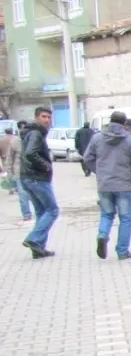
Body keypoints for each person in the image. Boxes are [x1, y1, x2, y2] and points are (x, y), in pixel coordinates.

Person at [84, 110, 131, 261]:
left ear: (110, 121)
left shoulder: (97, 138)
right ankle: (122, 251)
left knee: (106, 214)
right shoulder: (130, 140)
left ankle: (102, 235)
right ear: (125, 124)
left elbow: (87, 158)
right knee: (125, 218)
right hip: (123, 184)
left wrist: (98, 171)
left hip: (104, 184)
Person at [20, 107, 59, 259]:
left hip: (28, 177)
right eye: (44, 117)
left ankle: (38, 249)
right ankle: (33, 239)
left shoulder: (30, 132)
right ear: (36, 117)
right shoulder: (36, 133)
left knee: (42, 212)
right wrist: (46, 166)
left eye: (49, 117)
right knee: (53, 210)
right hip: (37, 177)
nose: (47, 120)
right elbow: (31, 153)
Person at [2, 127, 31, 221]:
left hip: (31, 172)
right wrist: (9, 170)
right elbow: (10, 157)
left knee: (31, 194)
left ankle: (37, 212)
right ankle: (27, 214)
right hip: (20, 172)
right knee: (22, 194)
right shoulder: (15, 141)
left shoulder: (34, 140)